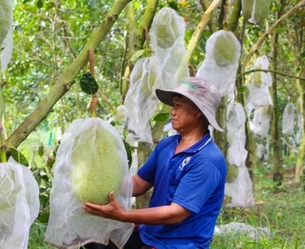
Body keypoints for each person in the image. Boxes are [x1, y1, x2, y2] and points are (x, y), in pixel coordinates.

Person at [82, 76, 227, 249]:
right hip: (148, 235)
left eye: (178, 106)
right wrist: (94, 183)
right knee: (91, 242)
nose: (172, 111)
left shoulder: (207, 160)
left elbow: (176, 214)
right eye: (173, 105)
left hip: (179, 244)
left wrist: (122, 215)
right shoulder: (168, 144)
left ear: (199, 113)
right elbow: (137, 184)